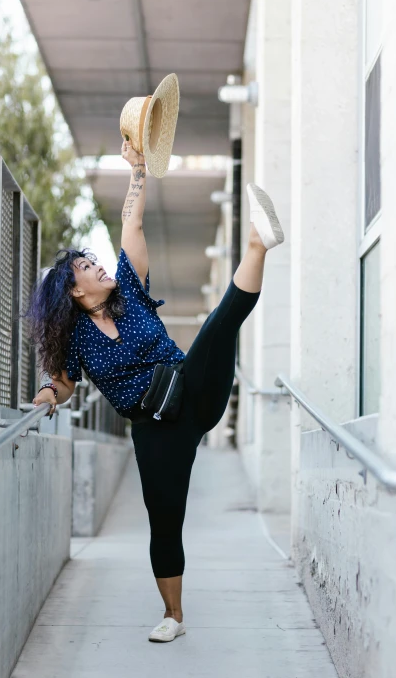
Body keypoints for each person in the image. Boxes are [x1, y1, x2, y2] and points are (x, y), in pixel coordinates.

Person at [29, 139, 284, 643]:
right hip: (153, 430)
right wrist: (45, 393)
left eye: (95, 263)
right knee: (165, 520)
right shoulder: (75, 339)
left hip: (191, 389)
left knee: (218, 324)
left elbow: (132, 226)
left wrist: (138, 171)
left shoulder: (130, 292)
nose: (99, 267)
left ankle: (257, 242)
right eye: (87, 269)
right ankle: (174, 615)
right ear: (75, 292)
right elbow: (63, 383)